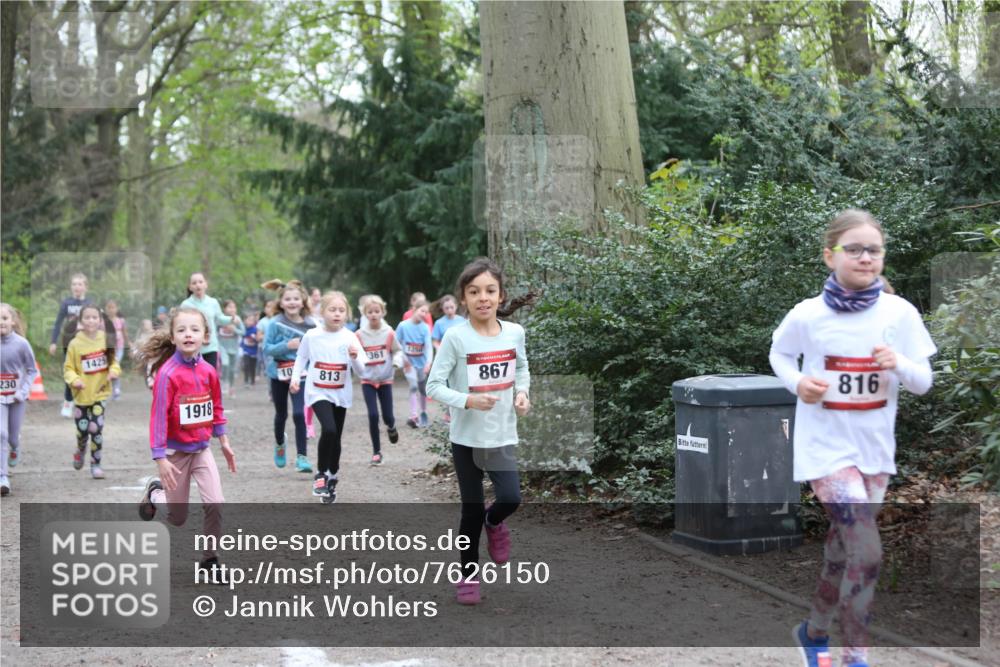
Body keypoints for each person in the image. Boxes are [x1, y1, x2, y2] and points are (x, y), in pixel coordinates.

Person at [769, 209, 936, 667]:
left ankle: (812, 633)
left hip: (874, 454)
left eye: (874, 250)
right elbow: (779, 354)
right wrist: (797, 383)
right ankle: (853, 658)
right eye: (855, 249)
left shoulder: (900, 313)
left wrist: (897, 363)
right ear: (830, 256)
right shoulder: (808, 314)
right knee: (867, 549)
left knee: (843, 552)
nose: (866, 257)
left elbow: (923, 381)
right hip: (825, 451)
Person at [427, 258, 530, 605]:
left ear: (501, 296)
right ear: (463, 298)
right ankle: (468, 575)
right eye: (474, 292)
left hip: (501, 434)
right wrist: (468, 400)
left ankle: (495, 520)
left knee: (511, 498)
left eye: (490, 290)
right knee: (469, 511)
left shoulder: (514, 333)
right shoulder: (456, 338)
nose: (482, 297)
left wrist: (522, 392)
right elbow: (434, 386)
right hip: (466, 439)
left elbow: (522, 368)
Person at [136, 306, 236, 583]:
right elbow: (157, 418)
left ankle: (210, 560)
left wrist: (223, 440)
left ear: (205, 336)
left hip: (202, 450)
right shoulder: (167, 375)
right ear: (173, 336)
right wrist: (160, 457)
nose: (188, 334)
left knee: (215, 503)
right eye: (181, 330)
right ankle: (155, 494)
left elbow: (215, 405)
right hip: (175, 454)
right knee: (177, 518)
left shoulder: (208, 370)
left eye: (194, 330)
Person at [290, 291, 365, 501]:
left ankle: (333, 476)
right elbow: (301, 358)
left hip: (341, 393)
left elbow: (362, 372)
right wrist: (295, 378)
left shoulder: (351, 337)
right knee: (329, 429)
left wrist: (355, 357)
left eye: (341, 310)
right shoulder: (312, 336)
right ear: (322, 312)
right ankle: (321, 474)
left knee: (336, 437)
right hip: (317, 391)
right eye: (332, 309)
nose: (337, 314)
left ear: (347, 314)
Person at [63, 304, 120, 479]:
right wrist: (75, 380)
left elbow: (114, 362)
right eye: (87, 317)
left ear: (100, 320)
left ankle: (96, 464)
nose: (91, 320)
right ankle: (80, 448)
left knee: (95, 428)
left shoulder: (106, 339)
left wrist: (113, 371)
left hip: (100, 393)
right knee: (83, 431)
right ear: (81, 321)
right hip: (81, 396)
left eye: (95, 317)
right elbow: (68, 369)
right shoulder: (74, 343)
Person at [263, 282, 315, 473]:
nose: (292, 302)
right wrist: (287, 345)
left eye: (296, 299)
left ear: (303, 302)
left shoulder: (311, 324)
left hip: (300, 374)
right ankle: (279, 444)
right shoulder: (275, 322)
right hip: (278, 374)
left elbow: (316, 348)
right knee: (281, 414)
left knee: (300, 414)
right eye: (288, 299)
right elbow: (267, 349)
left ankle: (302, 457)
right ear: (281, 303)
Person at [356, 294, 403, 465]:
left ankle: (391, 427)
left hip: (385, 379)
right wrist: (357, 362)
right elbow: (355, 354)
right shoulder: (359, 335)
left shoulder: (389, 333)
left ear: (383, 312)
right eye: (370, 312)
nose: (374, 314)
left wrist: (396, 362)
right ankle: (376, 452)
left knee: (387, 416)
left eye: (377, 311)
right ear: (365, 314)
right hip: (367, 379)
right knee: (373, 415)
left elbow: (398, 351)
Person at [1, 304, 38, 496]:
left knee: (13, 438)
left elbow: (32, 370)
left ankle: (15, 447)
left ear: (12, 321)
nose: (1, 322)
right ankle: (2, 477)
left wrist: (22, 392)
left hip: (16, 397)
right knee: (1, 434)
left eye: (4, 318)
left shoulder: (21, 343)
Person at [49, 272, 93, 418]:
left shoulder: (90, 304)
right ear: (71, 287)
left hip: (86, 344)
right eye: (74, 284)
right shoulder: (66, 303)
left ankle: (84, 401)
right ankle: (68, 402)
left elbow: (98, 324)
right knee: (70, 372)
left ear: (85, 287)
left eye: (80, 284)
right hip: (69, 343)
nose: (77, 287)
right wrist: (53, 342)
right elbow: (58, 323)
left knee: (86, 373)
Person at [180, 272, 240, 369]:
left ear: (206, 284)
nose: (198, 285)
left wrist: (231, 319)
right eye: (194, 283)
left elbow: (220, 319)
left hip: (210, 346)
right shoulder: (186, 305)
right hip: (192, 347)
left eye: (200, 282)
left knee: (209, 377)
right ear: (190, 287)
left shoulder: (213, 302)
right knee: (194, 378)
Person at [396, 298, 433, 428]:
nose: (424, 314)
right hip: (408, 363)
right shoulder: (403, 326)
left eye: (426, 312)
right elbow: (397, 344)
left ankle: (423, 413)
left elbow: (428, 346)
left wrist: (428, 363)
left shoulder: (425, 328)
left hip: (421, 363)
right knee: (413, 386)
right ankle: (413, 415)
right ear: (414, 310)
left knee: (422, 389)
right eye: (422, 311)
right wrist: (403, 359)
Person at [216, 299, 246, 398]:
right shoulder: (220, 319)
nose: (232, 309)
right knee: (225, 364)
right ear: (224, 309)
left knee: (232, 369)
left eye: (234, 307)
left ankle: (231, 387)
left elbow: (243, 332)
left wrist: (234, 329)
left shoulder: (237, 319)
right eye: (229, 307)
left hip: (234, 348)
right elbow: (214, 331)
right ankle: (224, 382)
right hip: (222, 346)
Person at [104, 300, 130, 400]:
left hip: (119, 347)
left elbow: (125, 333)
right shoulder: (103, 322)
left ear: (117, 309)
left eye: (113, 307)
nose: (111, 310)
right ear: (106, 309)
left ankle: (116, 389)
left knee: (115, 366)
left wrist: (129, 343)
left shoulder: (121, 321)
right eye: (109, 307)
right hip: (108, 348)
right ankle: (111, 389)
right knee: (109, 368)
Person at [240, 313, 259, 387]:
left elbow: (258, 339)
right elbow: (242, 338)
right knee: (246, 365)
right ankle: (246, 380)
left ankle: (252, 380)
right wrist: (241, 345)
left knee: (252, 366)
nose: (250, 322)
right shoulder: (244, 329)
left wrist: (254, 338)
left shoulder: (256, 329)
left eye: (252, 320)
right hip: (246, 350)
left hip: (254, 351)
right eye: (249, 320)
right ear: (245, 321)